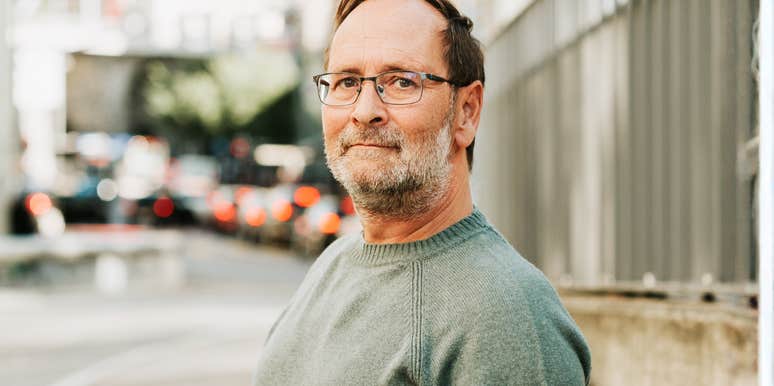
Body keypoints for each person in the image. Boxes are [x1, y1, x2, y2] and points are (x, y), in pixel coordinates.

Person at [253, 0, 591, 384]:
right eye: (347, 82)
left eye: (402, 81)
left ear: (466, 111)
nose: (364, 110)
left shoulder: (505, 317)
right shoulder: (333, 264)